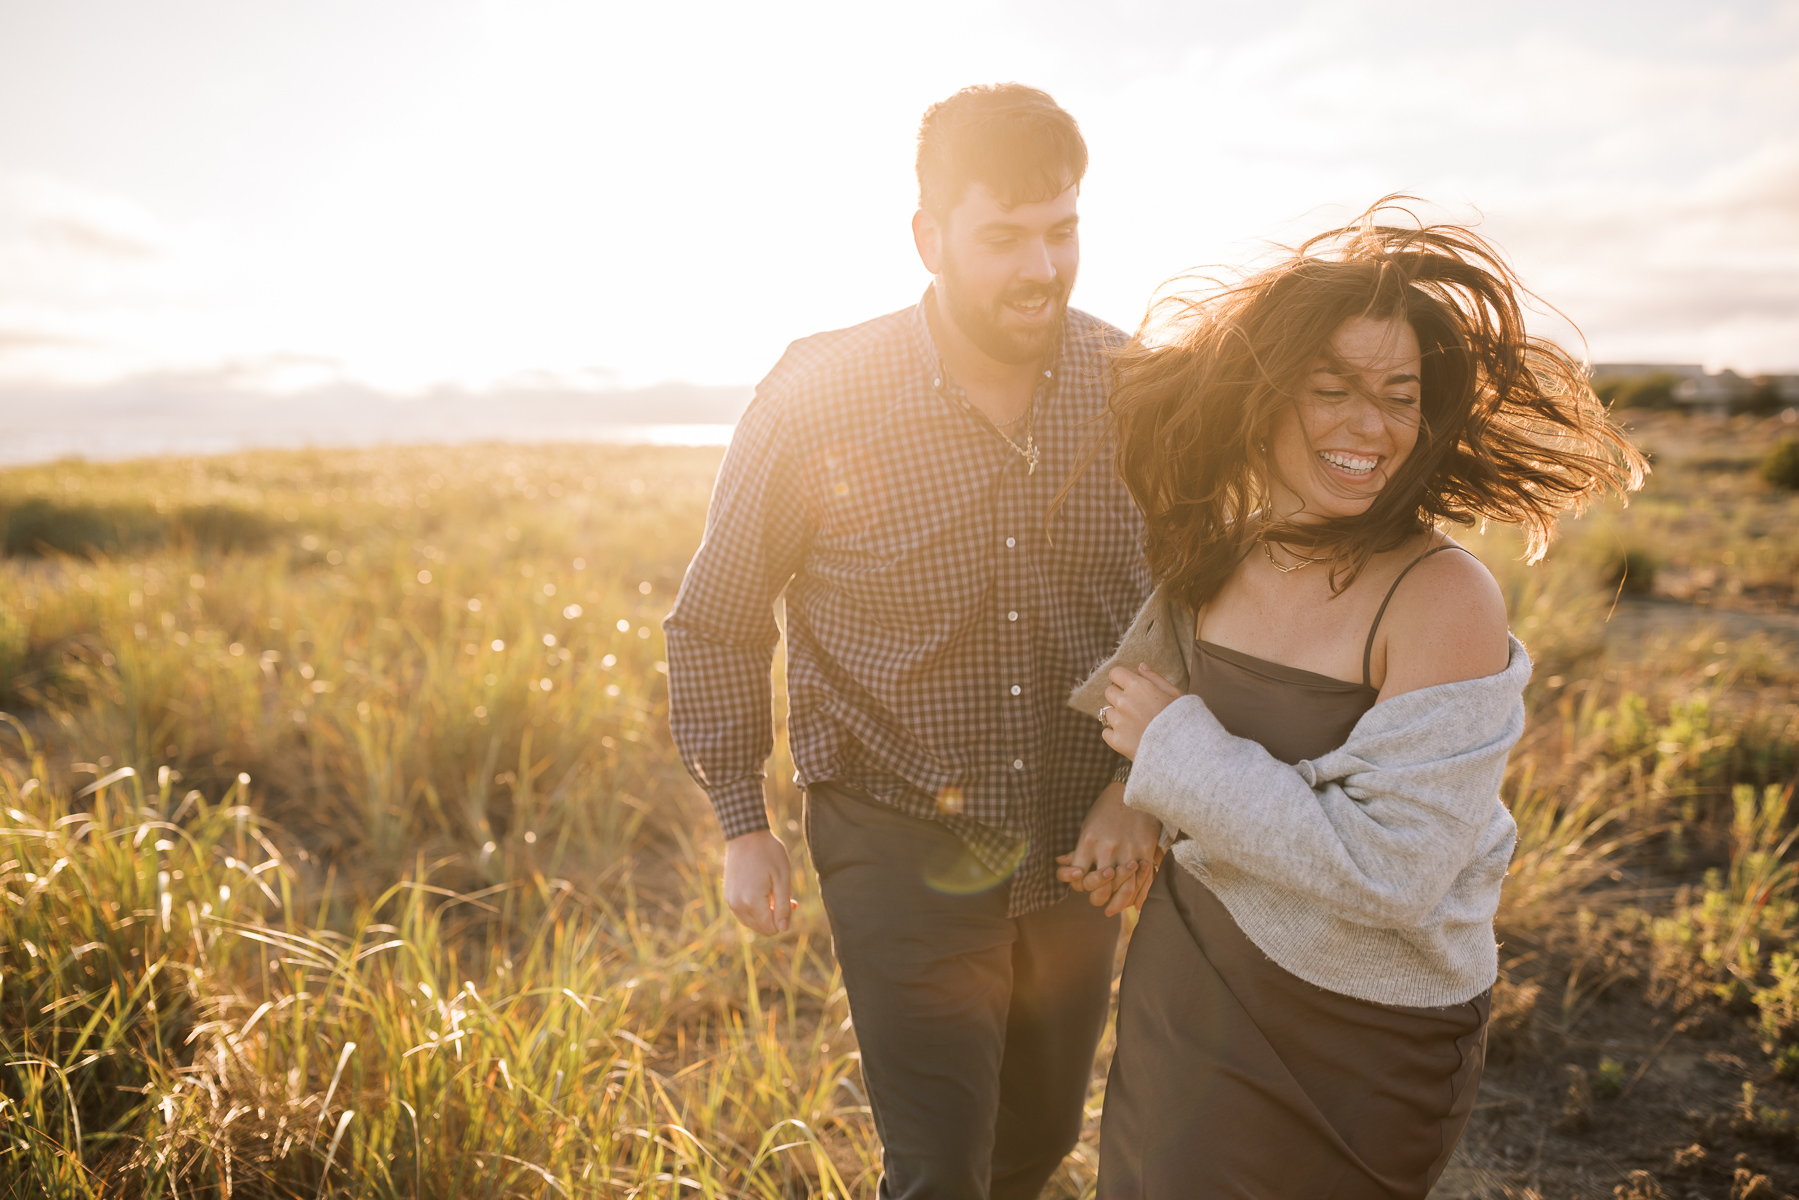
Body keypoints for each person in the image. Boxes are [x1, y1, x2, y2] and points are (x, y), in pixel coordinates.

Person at [1064, 205, 1646, 1199]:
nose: (1368, 426)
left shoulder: (1439, 596)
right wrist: (1130, 790)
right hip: (1192, 985)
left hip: (1361, 1034)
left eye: (1396, 394)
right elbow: (1154, 687)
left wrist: (1170, 753)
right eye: (1329, 388)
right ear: (1262, 396)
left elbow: (1391, 869)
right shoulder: (1223, 552)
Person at [663, 83, 1156, 1200]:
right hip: (892, 826)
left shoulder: (1137, 390)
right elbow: (719, 615)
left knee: (1030, 1149)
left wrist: (1139, 784)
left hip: (1083, 839)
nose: (1040, 267)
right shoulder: (818, 392)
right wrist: (742, 822)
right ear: (927, 238)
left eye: (1061, 231)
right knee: (939, 1170)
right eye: (1003, 238)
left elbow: (1187, 602)